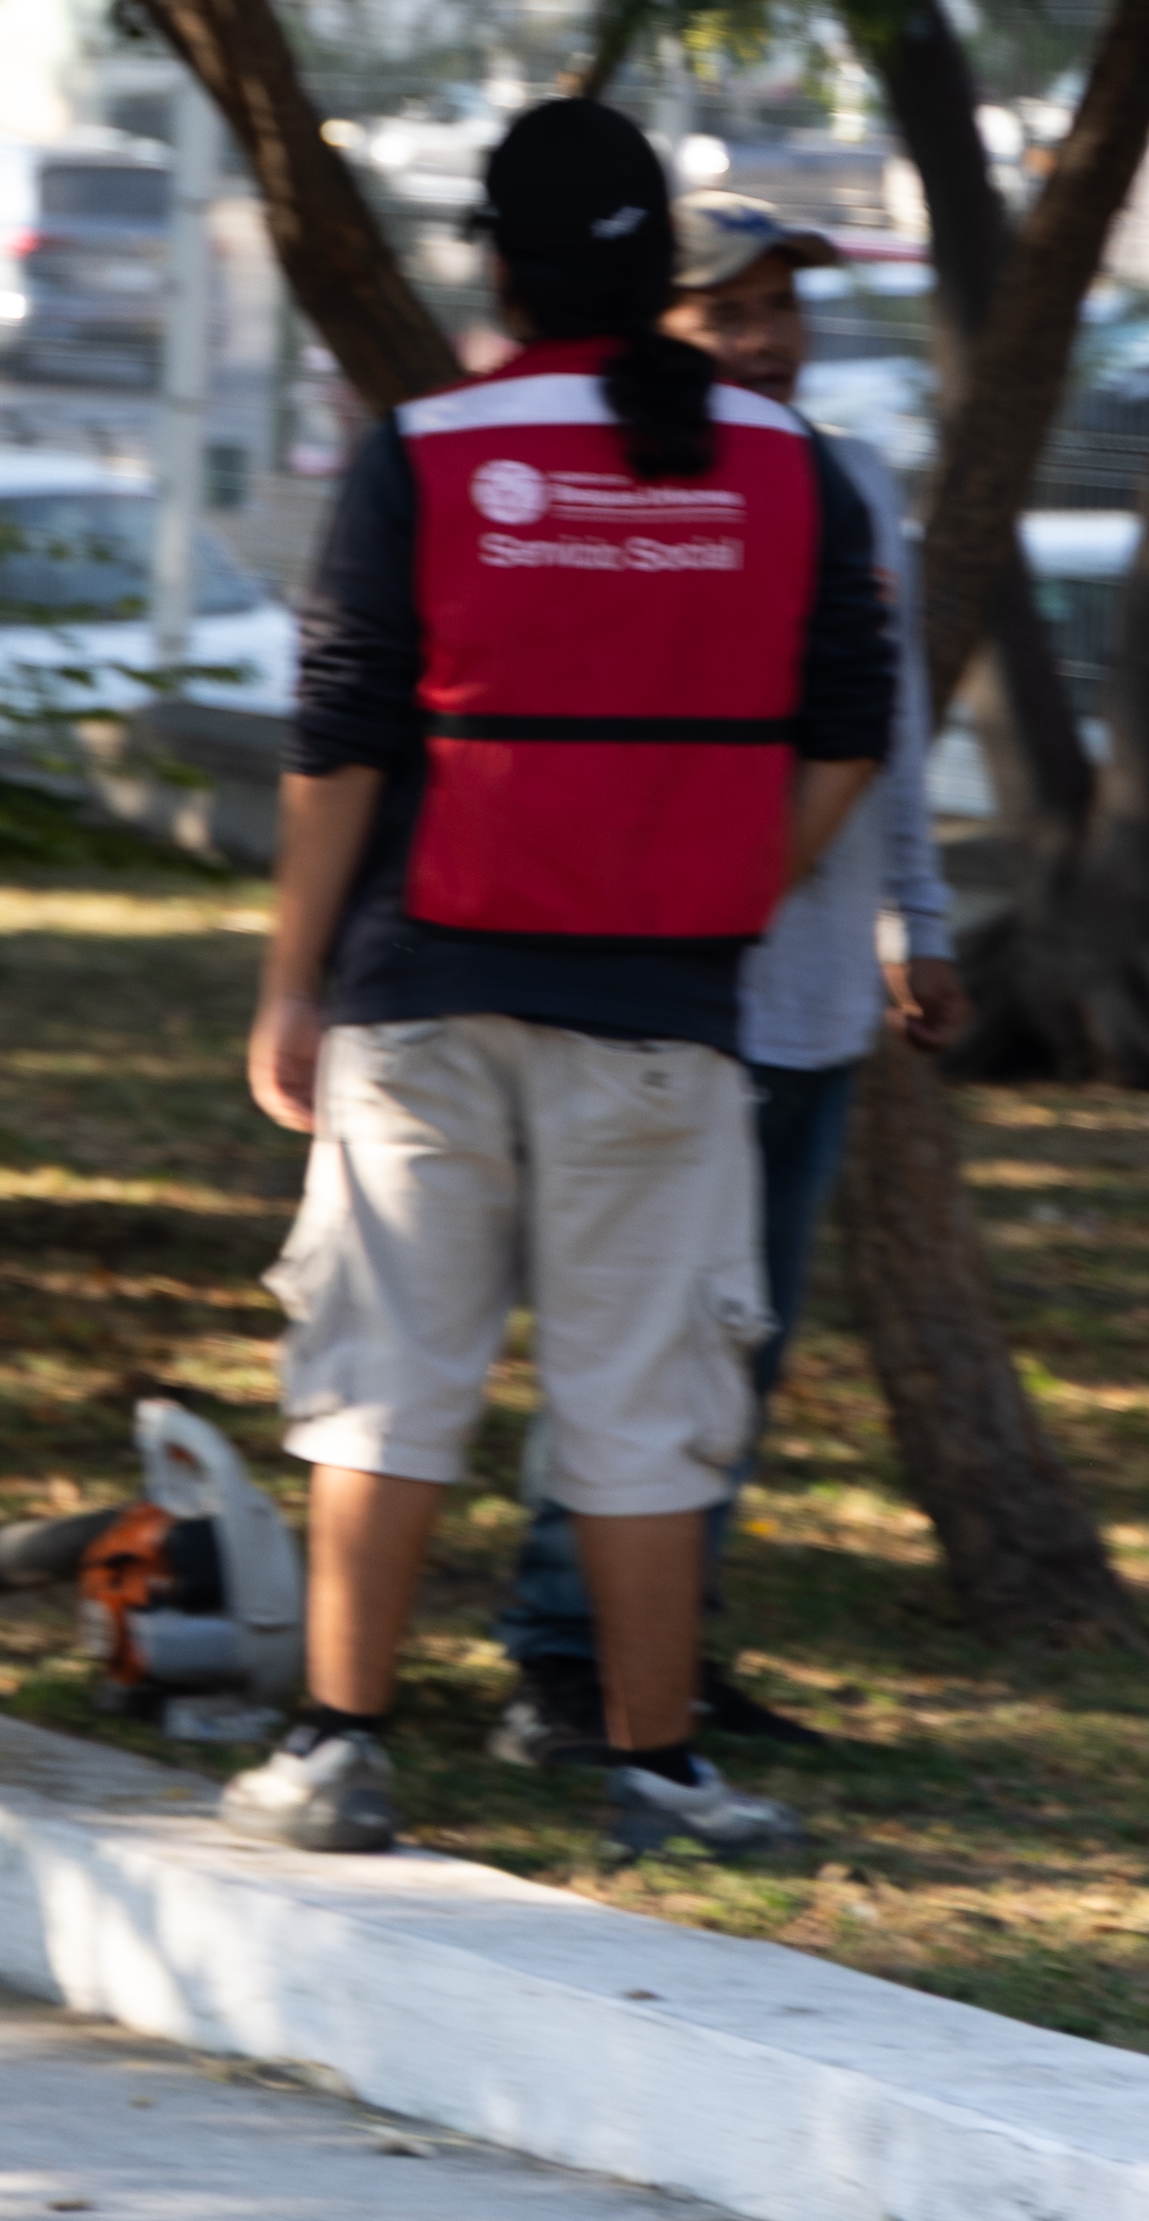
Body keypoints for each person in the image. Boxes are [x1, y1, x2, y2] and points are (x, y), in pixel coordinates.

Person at [234, 102, 894, 1867]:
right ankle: (655, 1765)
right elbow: (850, 725)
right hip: (667, 1013)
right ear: (651, 261)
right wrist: (730, 880)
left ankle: (336, 1743)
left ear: (504, 266)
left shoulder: (426, 449)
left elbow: (340, 742)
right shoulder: (786, 466)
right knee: (643, 1395)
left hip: (421, 997)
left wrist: (289, 981)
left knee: (388, 1370)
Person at [477, 195, 964, 1770]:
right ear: (647, 328)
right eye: (724, 316)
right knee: (629, 1328)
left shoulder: (847, 484)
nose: (764, 342)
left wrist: (917, 915)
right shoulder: (601, 480)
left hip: (808, 997)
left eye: (780, 311)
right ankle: (562, 1662)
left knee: (737, 1341)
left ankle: (662, 1663)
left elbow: (880, 722)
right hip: (640, 989)